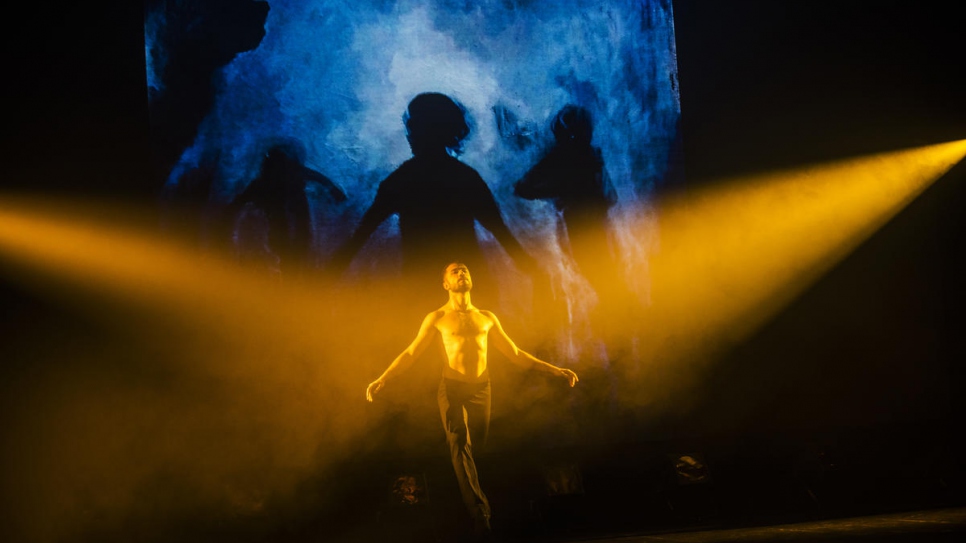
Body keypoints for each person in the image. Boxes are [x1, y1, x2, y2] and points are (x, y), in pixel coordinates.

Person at [366, 262, 578, 540]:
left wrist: (554, 369)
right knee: (459, 443)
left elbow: (515, 353)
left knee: (480, 447)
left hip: (482, 388)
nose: (461, 273)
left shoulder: (487, 317)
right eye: (454, 271)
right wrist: (384, 378)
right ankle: (481, 516)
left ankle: (493, 508)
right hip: (452, 388)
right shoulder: (437, 317)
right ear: (445, 284)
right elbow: (410, 353)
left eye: (465, 269)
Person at [330, 93, 536, 298]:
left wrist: (332, 270)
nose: (409, 134)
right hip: (469, 284)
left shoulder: (400, 180)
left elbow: (361, 235)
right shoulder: (466, 177)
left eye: (413, 127)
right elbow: (500, 230)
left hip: (422, 286)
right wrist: (531, 267)